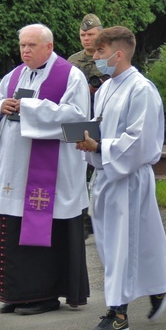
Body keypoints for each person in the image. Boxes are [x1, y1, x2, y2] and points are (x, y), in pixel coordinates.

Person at [77, 26, 166, 330]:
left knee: (123, 246)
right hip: (107, 175)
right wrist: (89, 141)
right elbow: (103, 128)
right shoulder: (107, 88)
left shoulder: (141, 89)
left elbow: (140, 141)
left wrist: (101, 148)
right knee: (120, 244)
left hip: (129, 176)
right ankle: (160, 285)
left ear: (117, 54)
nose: (94, 58)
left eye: (100, 52)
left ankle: (118, 313)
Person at [0, 23, 90, 315]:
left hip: (51, 174)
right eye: (22, 45)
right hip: (13, 171)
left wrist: (28, 108)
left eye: (31, 45)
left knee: (42, 227)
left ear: (49, 46)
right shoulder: (12, 75)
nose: (25, 51)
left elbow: (77, 118)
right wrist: (2, 107)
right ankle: (18, 293)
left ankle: (43, 294)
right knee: (12, 225)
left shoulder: (70, 76)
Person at [68, 13, 106, 238]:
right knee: (79, 170)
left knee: (100, 170)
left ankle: (98, 216)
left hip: (103, 121)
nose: (86, 38)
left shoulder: (108, 58)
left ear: (100, 34)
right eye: (83, 35)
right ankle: (82, 219)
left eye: (91, 34)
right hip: (81, 120)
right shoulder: (72, 61)